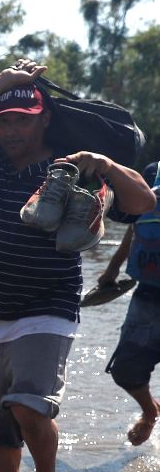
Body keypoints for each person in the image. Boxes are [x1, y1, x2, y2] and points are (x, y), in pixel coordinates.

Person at [0, 59, 156, 472]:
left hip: (48, 305)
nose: (12, 129)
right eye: (5, 120)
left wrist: (108, 165)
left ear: (45, 118)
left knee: (27, 403)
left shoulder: (73, 168)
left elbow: (142, 204)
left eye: (23, 119)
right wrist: (4, 83)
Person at [99, 161, 160, 445]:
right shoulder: (153, 173)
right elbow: (136, 219)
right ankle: (150, 411)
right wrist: (113, 267)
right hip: (150, 291)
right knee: (125, 368)